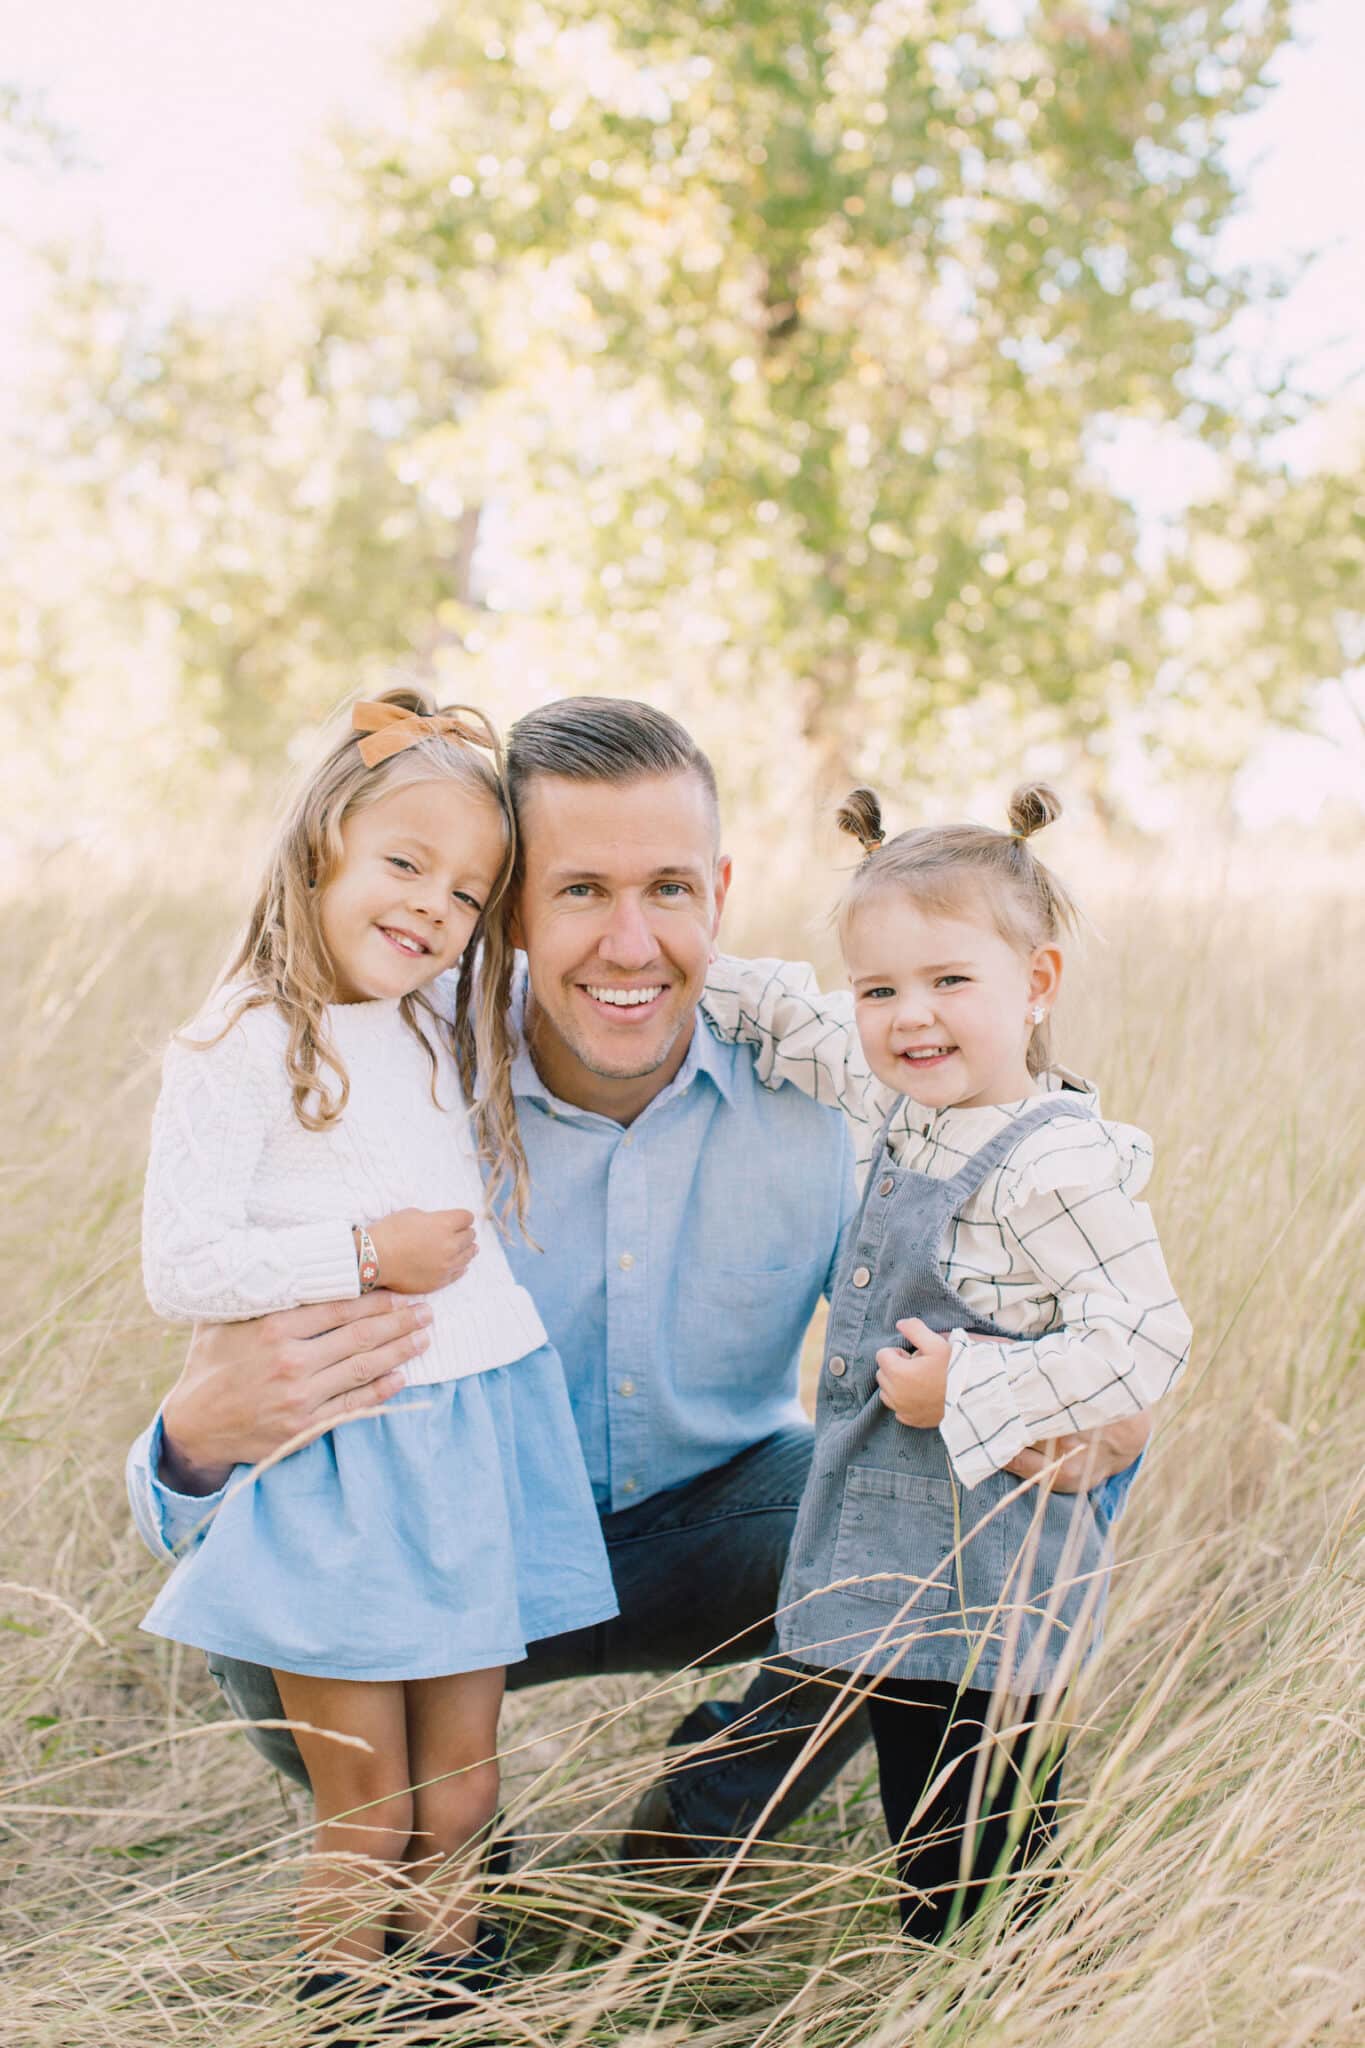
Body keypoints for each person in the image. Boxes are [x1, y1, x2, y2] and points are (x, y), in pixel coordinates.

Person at [127, 699, 1150, 1882]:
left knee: (982, 1488)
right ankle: (443, 1862)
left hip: (730, 1529)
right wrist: (191, 1445)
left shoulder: (835, 1089)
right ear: (508, 911)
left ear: (717, 890)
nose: (629, 943)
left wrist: (1093, 1414)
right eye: (578, 891)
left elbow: (1060, 1313)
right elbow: (209, 1452)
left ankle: (779, 1831)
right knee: (267, 1628)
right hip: (462, 1535)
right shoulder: (394, 1079)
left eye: (666, 888)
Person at [137, 687, 617, 2031]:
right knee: (371, 1805)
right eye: (404, 864)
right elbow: (179, 1266)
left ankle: (450, 1995)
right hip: (346, 1455)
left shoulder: (430, 1014)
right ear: (320, 843)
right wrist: (363, 1254)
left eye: (466, 894)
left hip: (473, 1438)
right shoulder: (236, 1042)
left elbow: (604, 953)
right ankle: (352, 2003)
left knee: (463, 1794)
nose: (430, 909)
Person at [701, 781, 1191, 1938]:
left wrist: (963, 1383)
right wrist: (677, 952)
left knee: (983, 1842)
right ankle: (733, 1820)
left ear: (1037, 985)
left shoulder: (1052, 1164)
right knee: (919, 1806)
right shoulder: (906, 1096)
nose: (908, 1015)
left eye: (947, 981)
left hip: (1002, 1553)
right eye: (881, 987)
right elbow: (789, 1013)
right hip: (901, 1542)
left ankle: (1009, 1982)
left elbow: (1146, 1335)